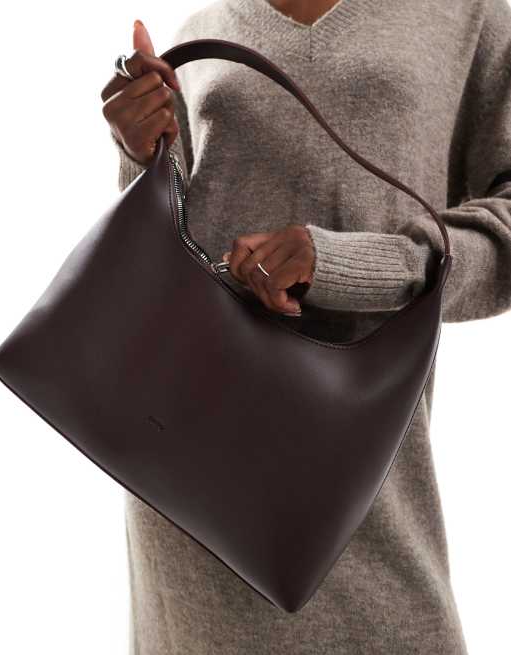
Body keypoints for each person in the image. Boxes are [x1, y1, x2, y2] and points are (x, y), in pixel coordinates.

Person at [100, 1, 511, 652]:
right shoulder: (204, 31)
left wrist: (351, 265)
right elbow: (152, 264)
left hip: (363, 492)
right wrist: (136, 153)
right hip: (186, 489)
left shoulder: (469, 15)